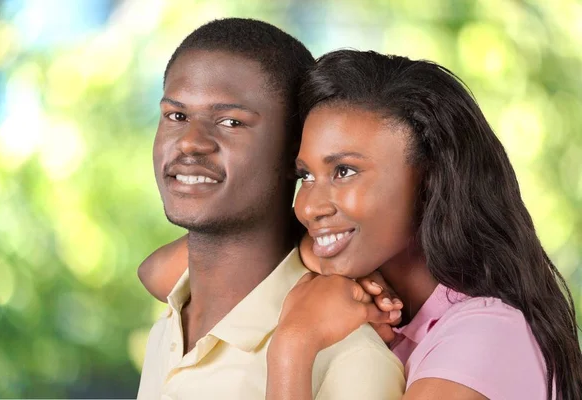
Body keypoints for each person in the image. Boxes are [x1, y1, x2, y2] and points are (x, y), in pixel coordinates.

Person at [139, 49, 582, 400]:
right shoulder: (368, 290)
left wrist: (294, 345)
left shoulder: (485, 336)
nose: (310, 205)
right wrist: (312, 249)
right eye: (306, 176)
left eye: (345, 172)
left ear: (430, 180)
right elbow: (159, 273)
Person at [136, 19, 405, 400]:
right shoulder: (169, 329)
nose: (190, 143)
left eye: (231, 122)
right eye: (176, 116)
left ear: (296, 150)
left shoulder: (349, 359)